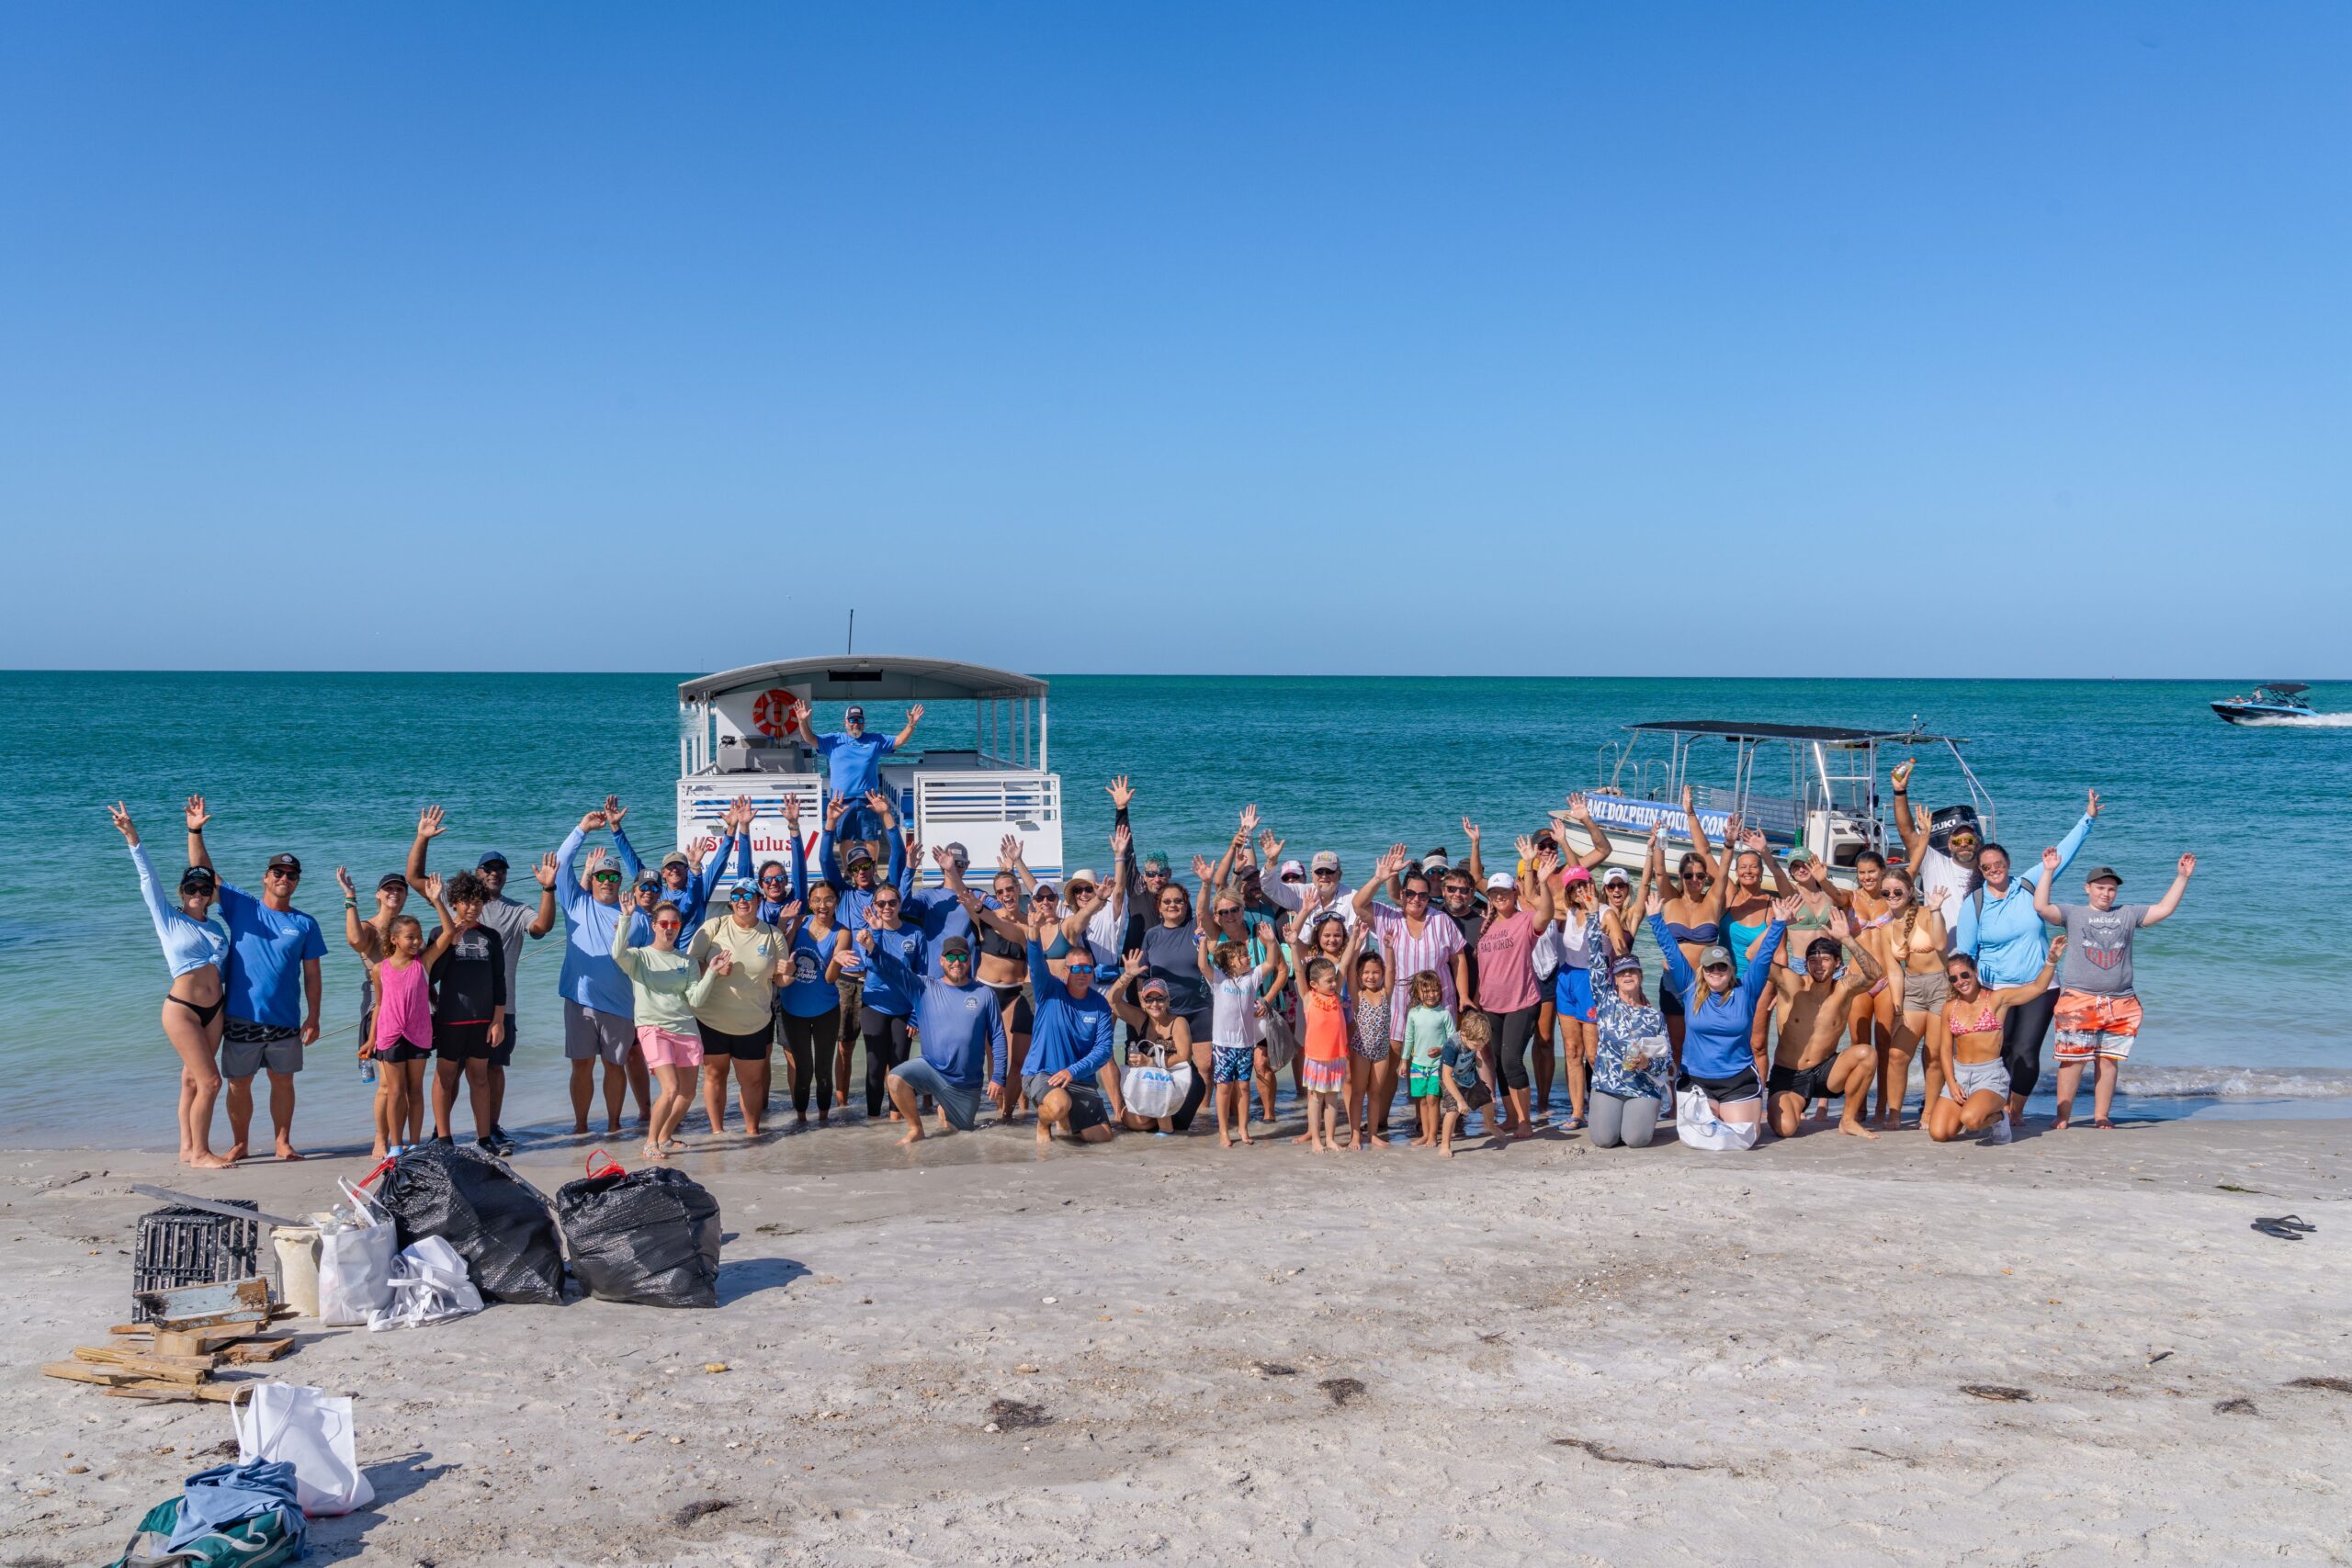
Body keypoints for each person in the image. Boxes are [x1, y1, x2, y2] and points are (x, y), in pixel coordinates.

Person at [406, 807, 558, 1150]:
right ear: (475, 877)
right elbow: (415, 878)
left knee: (490, 1071)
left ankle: (490, 1130)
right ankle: (441, 1134)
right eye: (488, 869)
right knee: (449, 1072)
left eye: (500, 869)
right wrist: (422, 838)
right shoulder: (451, 908)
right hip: (454, 1013)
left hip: (497, 1010)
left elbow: (542, 928)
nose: (495, 873)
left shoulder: (513, 912)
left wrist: (549, 889)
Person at [184, 798, 323, 1163]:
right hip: (242, 1016)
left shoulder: (306, 923)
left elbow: (312, 973)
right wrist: (195, 830)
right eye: (277, 873)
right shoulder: (242, 906)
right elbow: (202, 872)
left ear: (297, 882)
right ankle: (241, 1143)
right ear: (266, 877)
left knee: (283, 1082)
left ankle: (282, 1143)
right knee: (238, 1084)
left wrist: (314, 1016)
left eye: (291, 875)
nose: (284, 878)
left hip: (285, 1019)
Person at [1951, 791, 2099, 1125]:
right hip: (1993, 988)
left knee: (2026, 1051)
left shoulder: (2029, 884)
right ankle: (1994, 1104)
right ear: (1981, 869)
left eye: (1998, 864)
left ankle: (2014, 1110)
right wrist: (1968, 995)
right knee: (1999, 1051)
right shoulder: (1974, 903)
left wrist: (2087, 819)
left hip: (2039, 985)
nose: (1993, 870)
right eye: (1986, 867)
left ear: (2008, 864)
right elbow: (1965, 955)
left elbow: (2062, 854)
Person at [109, 802, 232, 1168]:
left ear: (211, 893)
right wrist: (133, 837)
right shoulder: (167, 918)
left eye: (204, 887)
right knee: (210, 1082)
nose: (198, 891)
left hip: (215, 1011)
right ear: (182, 891)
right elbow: (148, 878)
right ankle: (200, 1153)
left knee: (193, 1082)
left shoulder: (216, 927)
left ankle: (185, 1148)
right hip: (182, 1010)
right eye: (191, 887)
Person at [2034, 853, 2196, 1130]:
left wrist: (2182, 877)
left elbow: (2164, 909)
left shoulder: (2128, 914)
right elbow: (2041, 906)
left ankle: (2101, 1116)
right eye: (2100, 888)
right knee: (2072, 1061)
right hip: (2079, 999)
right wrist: (2048, 871)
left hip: (2121, 1001)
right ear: (2088, 889)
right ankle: (2062, 1116)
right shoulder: (2074, 913)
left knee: (2108, 1061)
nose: (2106, 894)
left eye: (2111, 889)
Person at [1656, 894, 1792, 1139]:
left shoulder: (1747, 991)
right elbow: (1673, 953)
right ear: (1703, 970)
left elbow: (1763, 958)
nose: (1716, 971)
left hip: (1738, 1080)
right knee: (1702, 1137)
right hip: (1697, 1079)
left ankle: (1731, 1108)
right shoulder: (1690, 989)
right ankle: (1710, 1109)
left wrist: (1779, 924)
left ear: (1731, 970)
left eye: (1722, 967)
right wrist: (1656, 919)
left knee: (1744, 1138)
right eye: (1710, 967)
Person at [552, 807, 647, 1137]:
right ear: (591, 880)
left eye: (613, 877)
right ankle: (580, 1127)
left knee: (614, 1066)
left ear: (621, 882)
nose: (607, 882)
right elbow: (561, 865)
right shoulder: (576, 903)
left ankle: (614, 1125)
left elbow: (651, 961)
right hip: (580, 1001)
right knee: (581, 1065)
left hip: (621, 1006)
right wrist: (582, 829)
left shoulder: (636, 917)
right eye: (601, 877)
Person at [1759, 909, 1883, 1140]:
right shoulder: (1792, 984)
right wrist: (1777, 924)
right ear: (1806, 964)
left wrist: (1847, 939)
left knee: (1867, 1053)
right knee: (1786, 1129)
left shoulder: (1843, 990)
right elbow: (1753, 956)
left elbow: (1875, 973)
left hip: (1825, 1072)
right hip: (1789, 1076)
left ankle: (1848, 1120)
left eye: (1825, 960)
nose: (1818, 966)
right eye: (1813, 961)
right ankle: (1793, 1105)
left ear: (1837, 963)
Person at [873, 934, 1006, 1146]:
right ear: (941, 961)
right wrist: (873, 948)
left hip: (965, 1084)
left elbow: (998, 1035)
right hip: (931, 1069)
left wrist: (998, 1076)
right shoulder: (924, 987)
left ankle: (946, 1109)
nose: (956, 963)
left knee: (958, 1141)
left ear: (969, 960)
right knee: (895, 1079)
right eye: (951, 957)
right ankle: (916, 1129)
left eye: (962, 957)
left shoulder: (984, 993)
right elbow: (896, 970)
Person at [610, 898, 718, 1160]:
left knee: (688, 1093)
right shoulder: (639, 957)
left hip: (686, 1029)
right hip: (653, 1028)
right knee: (670, 1089)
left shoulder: (687, 962)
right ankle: (650, 1143)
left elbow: (695, 1000)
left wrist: (712, 972)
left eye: (674, 924)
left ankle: (665, 1137)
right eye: (664, 924)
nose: (669, 928)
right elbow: (617, 954)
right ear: (654, 925)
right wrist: (625, 918)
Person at [1926, 942, 2064, 1145]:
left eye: (1965, 975)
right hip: (1960, 1075)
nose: (1961, 981)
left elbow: (2037, 988)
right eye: (1953, 978)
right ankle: (1973, 1113)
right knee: (1939, 1134)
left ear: (1975, 971)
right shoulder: (1950, 1007)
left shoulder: (1997, 999)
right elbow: (1945, 1049)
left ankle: (1999, 1117)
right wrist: (1952, 1083)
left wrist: (2051, 960)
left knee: (1971, 1120)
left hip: (1989, 1076)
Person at [1470, 844, 1558, 1139]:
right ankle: (1510, 1116)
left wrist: (1542, 881)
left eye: (1504, 893)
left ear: (1514, 894)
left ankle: (1525, 1120)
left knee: (1512, 1061)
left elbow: (1546, 914)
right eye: (1494, 893)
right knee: (1497, 1062)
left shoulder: (1523, 921)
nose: (1498, 897)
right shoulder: (1487, 926)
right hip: (1491, 1006)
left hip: (1522, 1002)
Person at [688, 878, 787, 1136]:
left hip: (753, 1022)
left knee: (752, 1081)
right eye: (737, 895)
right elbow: (689, 967)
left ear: (759, 899)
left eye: (749, 895)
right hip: (712, 1020)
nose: (743, 900)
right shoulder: (714, 926)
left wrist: (790, 972)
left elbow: (782, 979)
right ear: (731, 901)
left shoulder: (773, 934)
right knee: (714, 1076)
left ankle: (752, 1134)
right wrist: (712, 969)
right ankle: (717, 1134)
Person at [422, 871, 508, 1151]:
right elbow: (432, 975)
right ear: (455, 903)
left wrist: (498, 1021)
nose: (473, 907)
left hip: (482, 1019)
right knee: (444, 1077)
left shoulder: (491, 937)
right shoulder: (440, 935)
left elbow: (499, 980)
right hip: (451, 1019)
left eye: (478, 902)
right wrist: (450, 944)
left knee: (480, 1078)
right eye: (467, 902)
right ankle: (444, 1139)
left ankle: (484, 1139)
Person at [831, 875, 924, 1119]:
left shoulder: (915, 934)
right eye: (880, 904)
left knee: (899, 1067)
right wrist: (877, 932)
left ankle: (896, 1117)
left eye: (892, 903)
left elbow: (921, 977)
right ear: (874, 907)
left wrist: (916, 1015)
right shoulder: (865, 933)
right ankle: (874, 1120)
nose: (886, 908)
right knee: (874, 1066)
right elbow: (875, 965)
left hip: (904, 1008)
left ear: (900, 904)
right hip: (874, 1004)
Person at [1866, 868, 1948, 1129]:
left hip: (1940, 986)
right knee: (1897, 1054)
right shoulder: (1886, 928)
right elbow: (1894, 971)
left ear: (1910, 891)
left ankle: (1928, 1113)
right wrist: (1898, 1008)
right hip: (1911, 988)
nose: (1892, 895)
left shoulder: (1926, 914)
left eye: (1897, 891)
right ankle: (1895, 1113)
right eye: (1886, 892)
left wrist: (1936, 910)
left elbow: (1942, 944)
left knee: (1934, 1055)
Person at [794, 698, 923, 862]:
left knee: (871, 838)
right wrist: (801, 721)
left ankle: (872, 869)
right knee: (846, 839)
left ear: (864, 722)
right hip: (842, 800)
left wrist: (911, 725)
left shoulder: (875, 741)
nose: (856, 724)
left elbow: (899, 741)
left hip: (868, 799)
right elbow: (810, 739)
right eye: (852, 720)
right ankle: (849, 872)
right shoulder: (833, 741)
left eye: (859, 720)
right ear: (845, 722)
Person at [335, 866, 413, 1139]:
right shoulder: (369, 927)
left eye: (399, 889)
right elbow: (355, 941)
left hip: (408, 1011)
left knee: (403, 1085)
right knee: (387, 1085)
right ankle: (381, 1139)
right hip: (377, 1007)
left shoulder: (406, 929)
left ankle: (399, 1140)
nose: (394, 892)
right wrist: (350, 898)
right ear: (378, 895)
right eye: (389, 888)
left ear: (405, 896)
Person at [1023, 934, 1117, 1146]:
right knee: (1058, 1106)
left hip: (1078, 1078)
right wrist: (1033, 935)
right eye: (1076, 968)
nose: (1082, 973)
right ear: (1066, 971)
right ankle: (1044, 1122)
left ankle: (1068, 1119)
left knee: (1101, 1137)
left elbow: (1103, 1050)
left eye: (1087, 969)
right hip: (1042, 1072)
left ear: (1093, 971)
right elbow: (1037, 964)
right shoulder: (1049, 991)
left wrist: (1073, 1071)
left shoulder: (1100, 1005)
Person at [359, 910, 435, 1159]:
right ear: (394, 939)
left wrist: (435, 901)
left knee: (416, 1090)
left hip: (419, 1035)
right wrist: (371, 1040)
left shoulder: (422, 964)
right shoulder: (379, 969)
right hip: (389, 1036)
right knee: (395, 1090)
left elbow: (446, 936)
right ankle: (395, 1145)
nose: (416, 942)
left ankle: (415, 1144)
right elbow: (379, 1004)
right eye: (410, 937)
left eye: (419, 937)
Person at [1588, 945, 1674, 1150]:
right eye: (1621, 972)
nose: (1627, 974)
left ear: (1640, 977)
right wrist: (1592, 918)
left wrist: (1647, 1063)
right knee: (1604, 1140)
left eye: (1632, 970)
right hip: (1608, 1086)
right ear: (1615, 979)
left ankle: (1632, 1122)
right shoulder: (1606, 1003)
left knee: (1636, 1141)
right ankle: (1616, 1121)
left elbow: (1667, 1059)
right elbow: (1595, 963)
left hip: (1643, 1088)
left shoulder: (1655, 1017)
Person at [1198, 927, 1277, 1148]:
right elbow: (1203, 965)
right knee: (1223, 1088)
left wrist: (1271, 942)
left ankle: (1243, 1128)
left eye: (1248, 954)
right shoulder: (1219, 979)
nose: (1248, 957)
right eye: (1243, 955)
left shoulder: (1251, 978)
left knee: (1243, 1087)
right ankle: (1223, 1131)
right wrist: (1203, 942)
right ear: (1230, 961)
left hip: (1245, 1044)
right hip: (1223, 1045)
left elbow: (1270, 964)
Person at [777, 872, 846, 1122]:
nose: (823, 905)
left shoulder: (842, 933)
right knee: (803, 1068)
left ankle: (825, 1121)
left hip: (826, 1009)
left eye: (828, 900)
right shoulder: (800, 923)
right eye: (817, 900)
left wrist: (837, 961)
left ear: (836, 902)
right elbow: (780, 953)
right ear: (809, 902)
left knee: (823, 1069)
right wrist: (785, 925)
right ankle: (801, 1121)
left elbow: (829, 978)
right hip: (793, 1009)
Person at [1107, 967, 1193, 1134]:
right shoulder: (1140, 1019)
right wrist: (1127, 975)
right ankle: (1157, 1120)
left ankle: (1166, 1127)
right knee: (1131, 1120)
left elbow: (1184, 1058)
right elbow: (1112, 1001)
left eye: (1160, 999)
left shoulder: (1178, 1022)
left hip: (1181, 1087)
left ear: (1168, 1001)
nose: (1155, 1004)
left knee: (1156, 1082)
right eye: (1149, 999)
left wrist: (1150, 1061)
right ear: (1143, 1002)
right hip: (1151, 1086)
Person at [1291, 947, 1353, 1154]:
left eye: (1334, 980)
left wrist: (1356, 938)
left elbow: (1343, 965)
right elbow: (1299, 972)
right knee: (1316, 1098)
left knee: (1333, 1099)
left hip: (1337, 1057)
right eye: (1329, 981)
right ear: (1314, 984)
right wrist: (1292, 945)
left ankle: (1331, 1139)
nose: (1334, 984)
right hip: (1316, 1059)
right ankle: (1316, 1139)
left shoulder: (1336, 996)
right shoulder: (1309, 998)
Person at [1398, 971, 1453, 1149]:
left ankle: (1433, 1136)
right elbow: (1409, 1037)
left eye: (1435, 990)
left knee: (1433, 1100)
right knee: (1421, 1100)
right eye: (1426, 990)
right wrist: (1404, 1060)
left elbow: (1453, 1040)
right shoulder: (1414, 1013)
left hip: (1437, 1066)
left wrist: (1441, 1049)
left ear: (1440, 991)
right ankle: (1424, 1134)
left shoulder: (1444, 1014)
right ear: (1418, 992)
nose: (1431, 994)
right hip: (1417, 1065)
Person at [1438, 1010, 1498, 1158]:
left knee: (1487, 1099)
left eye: (1482, 1045)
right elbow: (1446, 1076)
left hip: (1469, 1075)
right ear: (1464, 1034)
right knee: (1453, 1110)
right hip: (1451, 1080)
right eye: (1476, 1046)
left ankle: (1490, 1125)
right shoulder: (1452, 1046)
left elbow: (1472, 1052)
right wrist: (1460, 1100)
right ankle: (1445, 1144)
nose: (1480, 1048)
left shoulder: (1474, 1039)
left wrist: (1476, 1059)